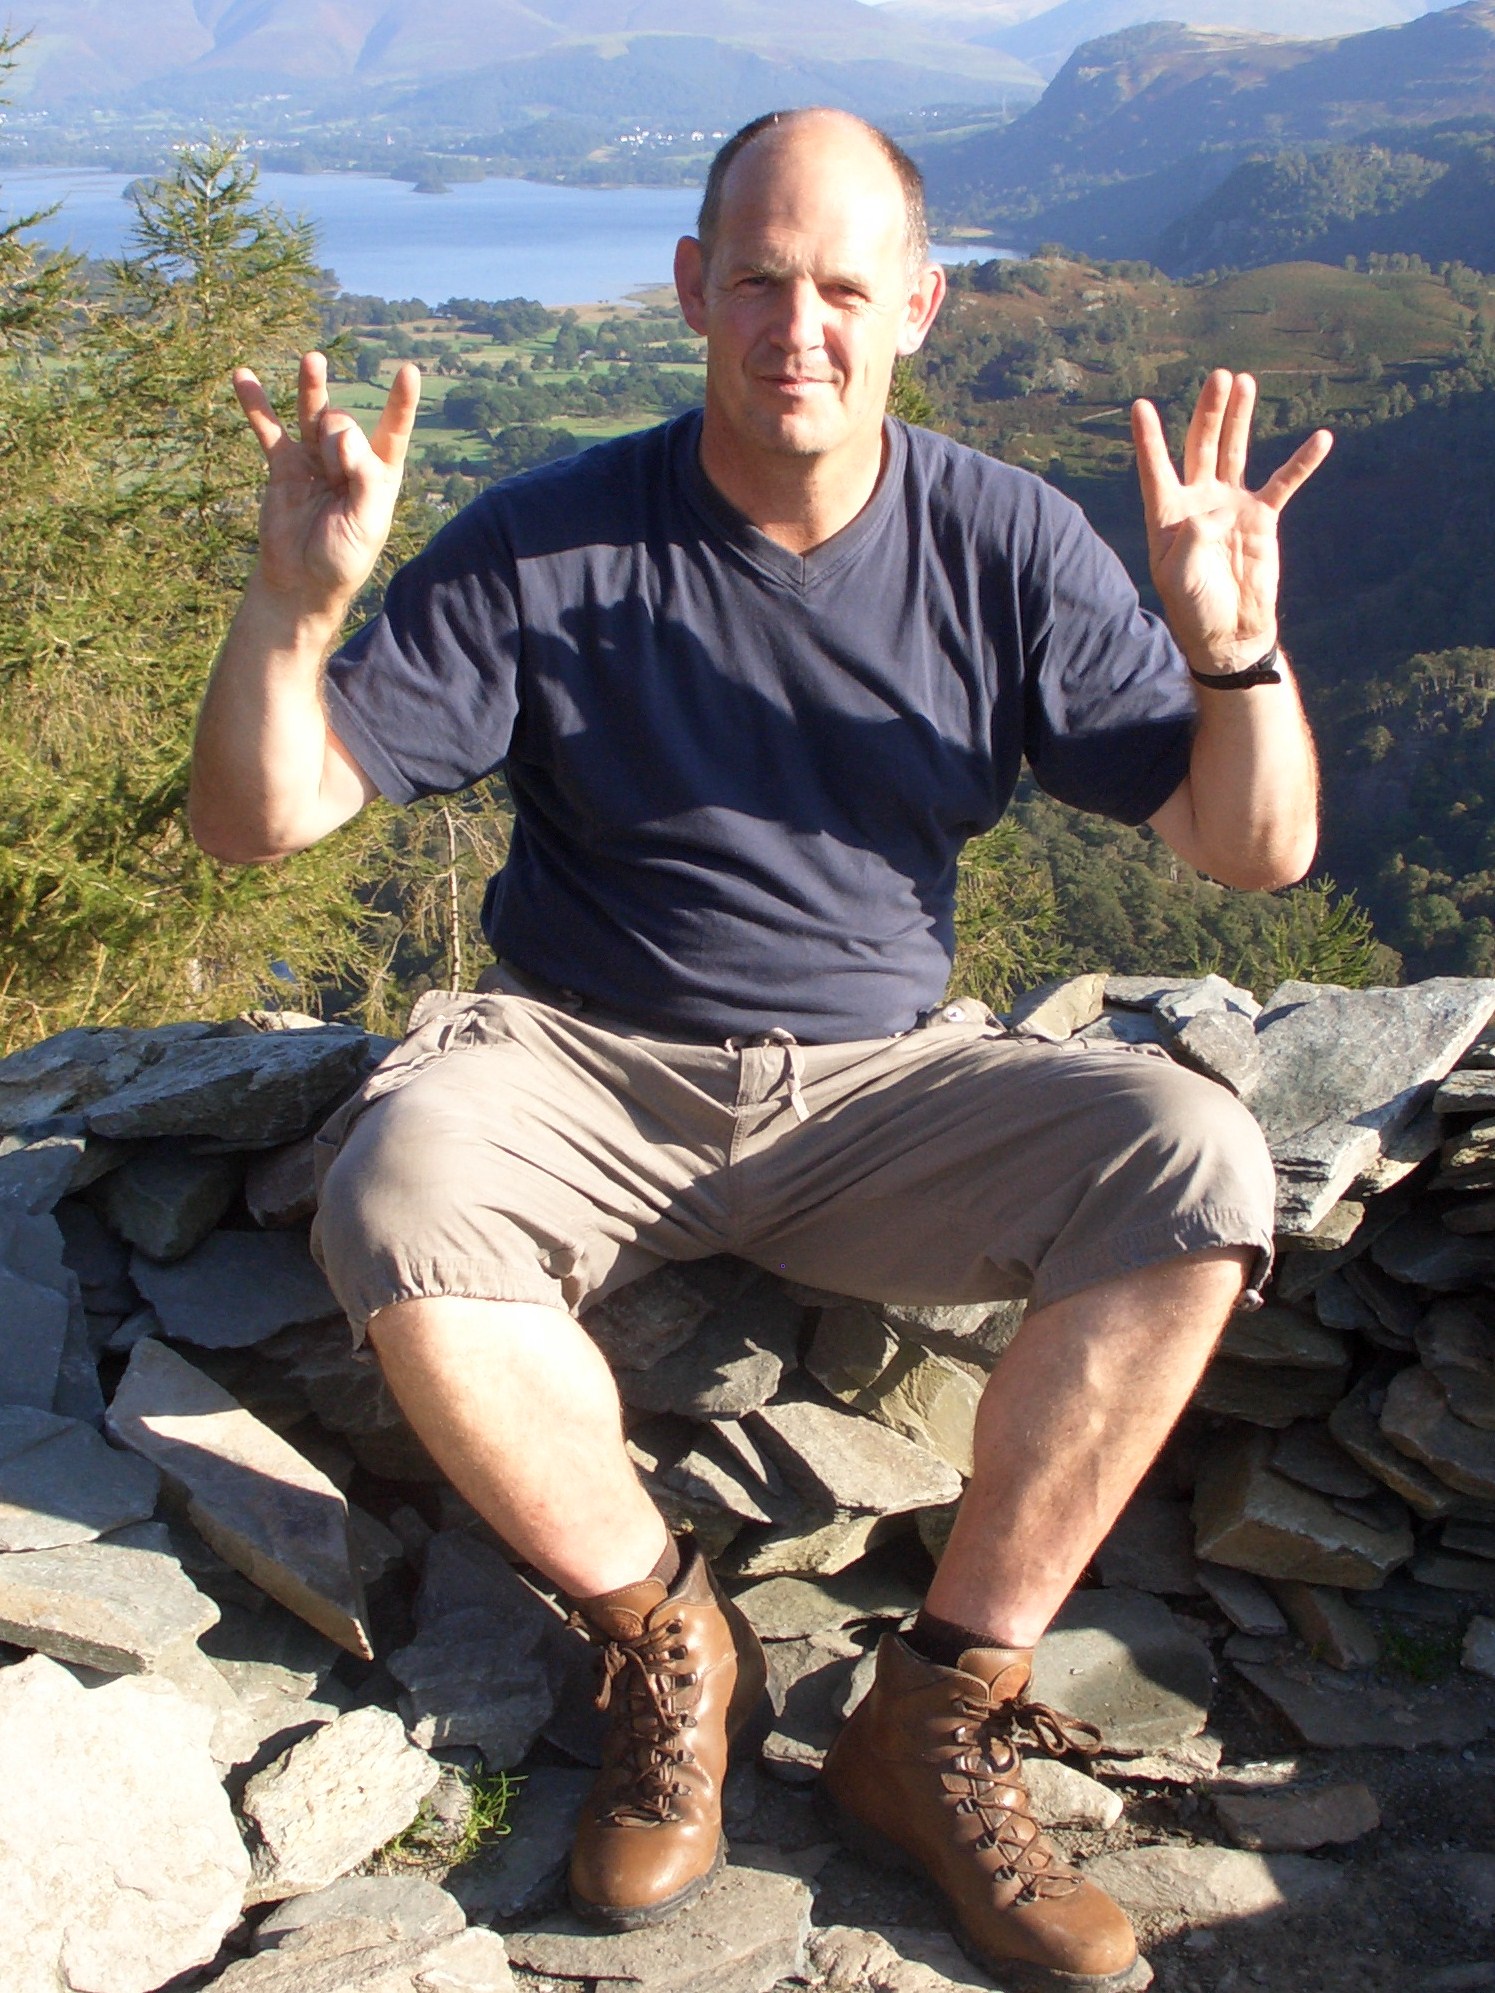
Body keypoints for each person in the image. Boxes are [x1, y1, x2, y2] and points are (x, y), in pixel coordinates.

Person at [190, 107, 1329, 1992]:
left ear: (919, 308)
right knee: (397, 1179)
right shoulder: (548, 535)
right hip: (575, 1064)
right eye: (760, 280)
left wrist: (1233, 655)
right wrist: (289, 613)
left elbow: (1252, 848)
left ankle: (937, 1714)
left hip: (884, 1082)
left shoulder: (1004, 541)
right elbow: (266, 817)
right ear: (691, 290)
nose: (799, 325)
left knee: (1197, 1157)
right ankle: (666, 1639)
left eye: (843, 288)